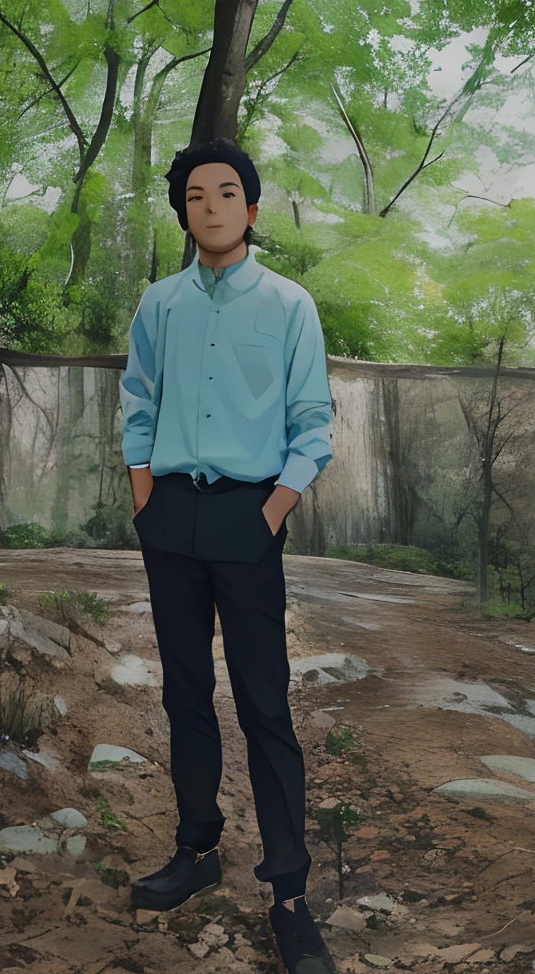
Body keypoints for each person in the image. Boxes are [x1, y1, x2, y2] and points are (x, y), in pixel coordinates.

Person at [120, 137, 338, 974]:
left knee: (265, 707)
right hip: (171, 515)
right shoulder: (160, 305)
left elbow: (312, 423)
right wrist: (146, 496)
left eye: (226, 193)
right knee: (185, 696)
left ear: (251, 208)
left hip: (249, 519)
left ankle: (289, 894)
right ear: (183, 213)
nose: (210, 206)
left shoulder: (289, 306)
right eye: (194, 197)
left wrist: (272, 511)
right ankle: (197, 851)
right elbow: (138, 401)